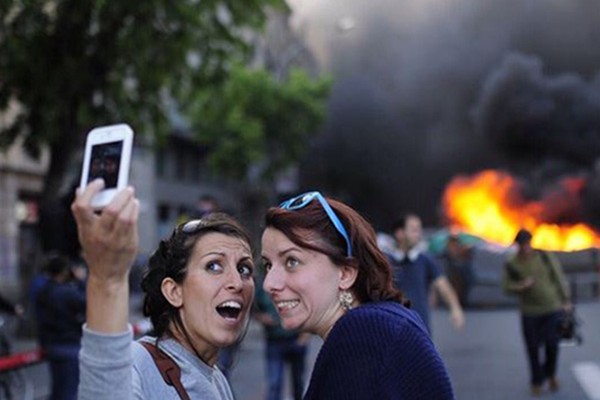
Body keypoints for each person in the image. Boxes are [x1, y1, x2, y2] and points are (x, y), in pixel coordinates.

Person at [71, 180, 255, 399]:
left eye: (244, 269)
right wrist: (107, 279)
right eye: (213, 266)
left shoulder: (218, 381)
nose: (237, 282)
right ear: (174, 291)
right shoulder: (136, 365)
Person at [261, 191, 455, 399]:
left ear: (345, 273)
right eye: (268, 265)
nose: (268, 284)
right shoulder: (379, 323)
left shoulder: (365, 331)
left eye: (292, 261)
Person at [502, 229, 571, 396]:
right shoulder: (512, 264)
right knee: (533, 348)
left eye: (527, 244)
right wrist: (521, 286)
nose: (525, 248)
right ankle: (537, 381)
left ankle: (550, 373)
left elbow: (558, 277)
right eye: (522, 245)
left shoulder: (544, 257)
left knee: (552, 344)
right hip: (530, 312)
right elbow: (506, 287)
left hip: (552, 308)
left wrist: (566, 299)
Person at [385, 214, 465, 333]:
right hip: (392, 327)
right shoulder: (386, 261)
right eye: (413, 230)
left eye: (419, 229)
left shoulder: (425, 260)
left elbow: (443, 285)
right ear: (399, 233)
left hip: (420, 327)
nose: (418, 234)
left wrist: (455, 308)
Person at [35, 252, 86, 400]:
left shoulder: (42, 291)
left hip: (51, 345)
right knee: (70, 390)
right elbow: (89, 303)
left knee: (58, 389)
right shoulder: (67, 293)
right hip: (69, 344)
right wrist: (81, 281)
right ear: (64, 271)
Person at [254, 280, 308, 400]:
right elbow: (254, 310)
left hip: (295, 338)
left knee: (298, 382)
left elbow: (307, 306)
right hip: (274, 340)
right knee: (274, 382)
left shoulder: (294, 283)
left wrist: (305, 336)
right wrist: (263, 318)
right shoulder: (264, 287)